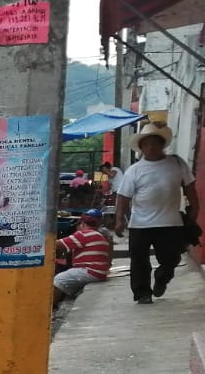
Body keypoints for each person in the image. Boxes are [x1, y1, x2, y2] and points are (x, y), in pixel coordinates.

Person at [115, 121, 199, 304]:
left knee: (172, 258)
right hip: (140, 223)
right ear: (141, 148)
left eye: (155, 143)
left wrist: (195, 208)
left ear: (162, 144)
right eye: (146, 144)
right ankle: (142, 293)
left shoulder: (177, 163)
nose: (151, 147)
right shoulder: (134, 171)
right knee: (139, 260)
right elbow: (123, 197)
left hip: (170, 222)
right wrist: (119, 219)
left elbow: (190, 187)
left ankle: (162, 276)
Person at [53, 209, 114, 307]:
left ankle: (49, 308)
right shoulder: (99, 234)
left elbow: (57, 244)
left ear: (82, 224)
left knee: (58, 280)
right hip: (99, 271)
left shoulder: (83, 234)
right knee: (67, 276)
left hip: (90, 271)